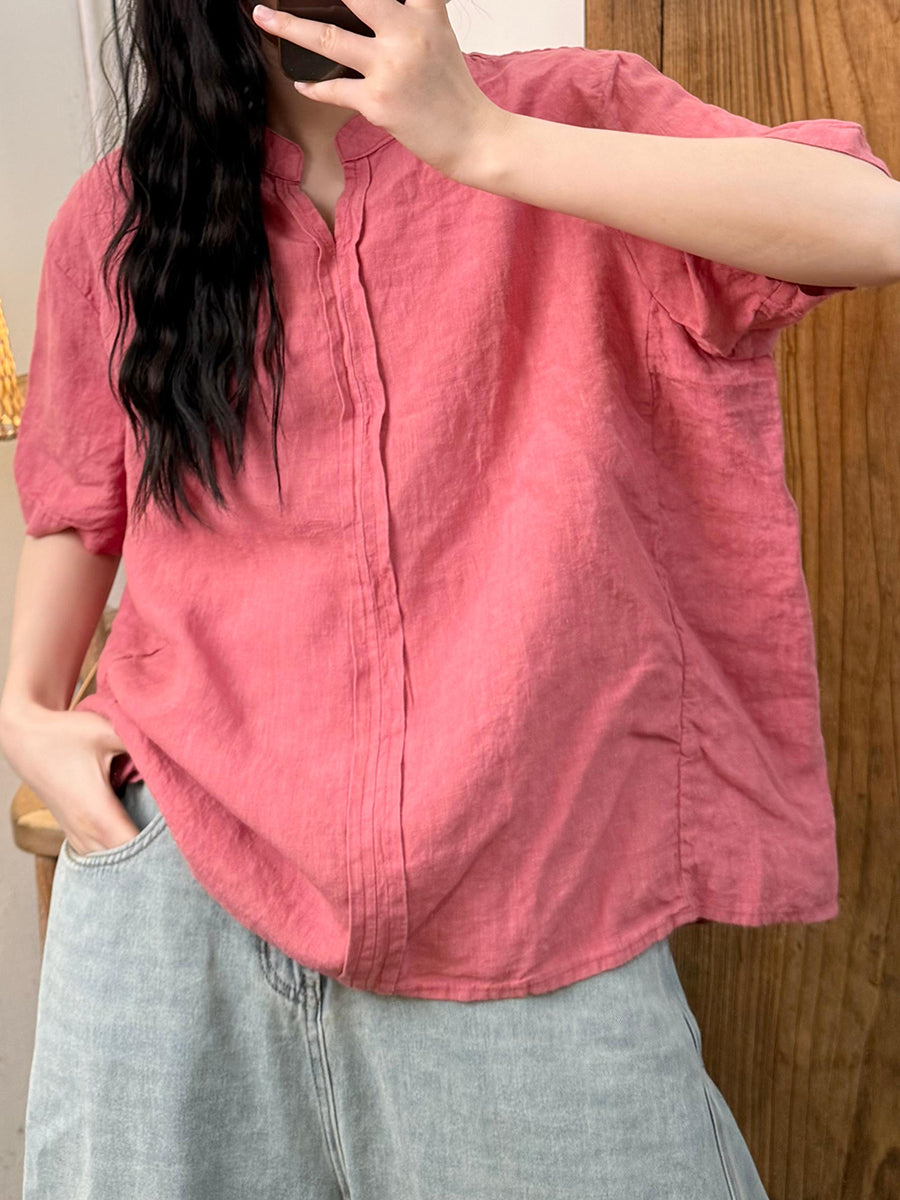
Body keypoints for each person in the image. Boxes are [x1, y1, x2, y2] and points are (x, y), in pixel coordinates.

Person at [2, 1, 898, 1196]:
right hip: (183, 905)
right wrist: (24, 713)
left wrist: (481, 141)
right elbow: (81, 497)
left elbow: (873, 224)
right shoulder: (116, 217)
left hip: (529, 912)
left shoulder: (574, 116)